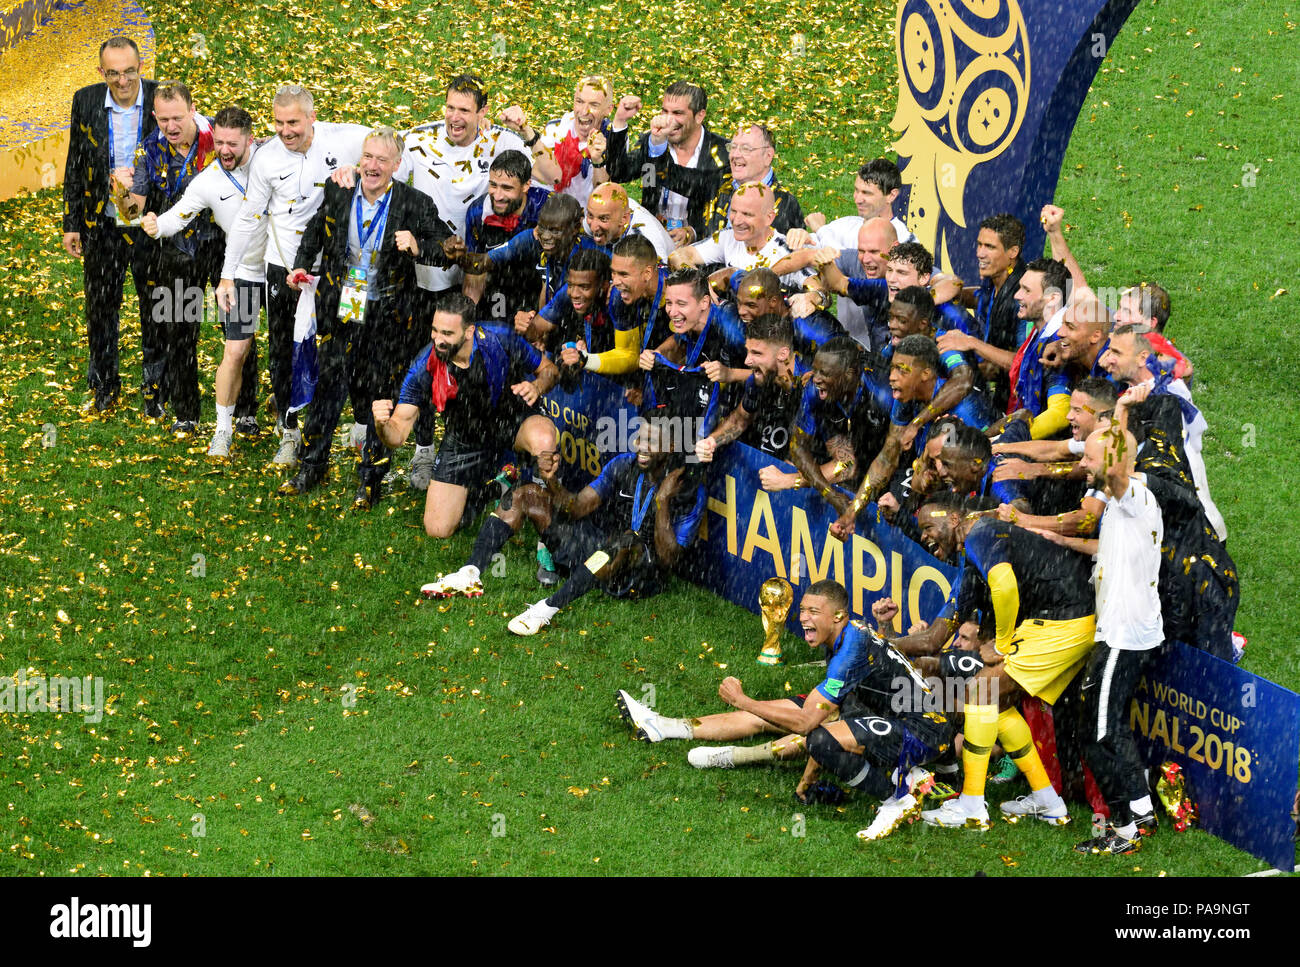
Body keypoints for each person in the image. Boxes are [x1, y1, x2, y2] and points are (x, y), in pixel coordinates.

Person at [614, 580, 946, 823]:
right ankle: (664, 727)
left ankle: (894, 795)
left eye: (813, 611)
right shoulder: (848, 634)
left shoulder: (851, 650)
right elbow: (828, 712)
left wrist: (743, 700)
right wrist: (806, 783)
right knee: (777, 715)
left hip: (914, 729)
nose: (803, 618)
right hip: (882, 714)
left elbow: (808, 724)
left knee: (806, 727)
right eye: (802, 609)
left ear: (838, 616)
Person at [278, 127, 450, 508]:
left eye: (382, 160)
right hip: (349, 297)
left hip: (390, 307)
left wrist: (419, 246)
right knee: (331, 382)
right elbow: (313, 232)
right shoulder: (339, 190)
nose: (372, 166)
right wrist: (301, 266)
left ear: (396, 166)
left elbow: (448, 248)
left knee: (381, 392)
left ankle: (371, 478)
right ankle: (311, 464)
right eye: (367, 157)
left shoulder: (413, 202)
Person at [917, 507, 1097, 830]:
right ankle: (1048, 800)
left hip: (1064, 620)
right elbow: (936, 635)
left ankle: (971, 807)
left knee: (980, 692)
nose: (923, 535)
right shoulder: (977, 545)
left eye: (929, 526)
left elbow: (1004, 585)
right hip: (1068, 618)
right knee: (996, 702)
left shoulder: (979, 532)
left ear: (955, 519)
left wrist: (1001, 645)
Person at [217, 84, 370, 464]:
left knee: (358, 342)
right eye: (279, 122)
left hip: (347, 269)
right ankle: (289, 429)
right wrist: (227, 274)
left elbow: (391, 143)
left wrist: (363, 165)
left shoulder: (346, 137)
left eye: (294, 123)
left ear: (312, 117)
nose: (286, 131)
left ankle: (363, 427)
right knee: (283, 350)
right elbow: (249, 217)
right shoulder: (266, 160)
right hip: (285, 268)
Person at [1035, 417, 1163, 855]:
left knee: (1100, 732)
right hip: (1122, 632)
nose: (1081, 465)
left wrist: (1117, 424)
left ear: (1110, 463)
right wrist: (1050, 535)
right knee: (1106, 727)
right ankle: (1136, 812)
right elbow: (1107, 549)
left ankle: (1128, 826)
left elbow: (1114, 469)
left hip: (1123, 638)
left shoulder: (1135, 498)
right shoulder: (1119, 506)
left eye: (1088, 457)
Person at [371, 294, 560, 537]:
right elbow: (396, 435)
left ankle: (554, 514)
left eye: (447, 334)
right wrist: (381, 425)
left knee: (544, 440)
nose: (438, 340)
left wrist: (537, 387)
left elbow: (549, 370)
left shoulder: (499, 337)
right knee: (438, 529)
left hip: (514, 422)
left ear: (469, 331)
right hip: (464, 438)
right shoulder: (424, 365)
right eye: (435, 331)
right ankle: (490, 487)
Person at [503, 420, 707, 636]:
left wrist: (662, 500)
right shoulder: (623, 464)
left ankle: (546, 608)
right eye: (640, 438)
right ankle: (473, 569)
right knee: (529, 495)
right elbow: (576, 508)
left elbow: (668, 560)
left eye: (652, 441)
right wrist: (551, 481)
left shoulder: (689, 489)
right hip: (605, 550)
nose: (641, 446)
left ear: (671, 446)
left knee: (626, 541)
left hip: (641, 573)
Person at [142, 105, 264, 458]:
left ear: (249, 140)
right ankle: (220, 427)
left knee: (292, 349)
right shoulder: (206, 179)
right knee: (233, 347)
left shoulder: (270, 159)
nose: (225, 150)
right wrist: (155, 225)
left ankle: (281, 423)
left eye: (232, 143)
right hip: (237, 272)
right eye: (220, 143)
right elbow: (176, 216)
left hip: (283, 271)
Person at [62, 37, 160, 415]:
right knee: (101, 306)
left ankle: (155, 385)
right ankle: (105, 384)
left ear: (141, 67)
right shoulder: (86, 101)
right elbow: (74, 162)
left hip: (149, 224)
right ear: (101, 72)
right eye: (114, 73)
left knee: (155, 304)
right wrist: (72, 222)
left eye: (130, 72)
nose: (122, 81)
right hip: (102, 223)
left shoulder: (159, 98)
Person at [830, 334, 997, 540]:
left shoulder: (962, 412)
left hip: (983, 494)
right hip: (946, 488)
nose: (891, 376)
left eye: (901, 369)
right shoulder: (906, 399)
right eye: (892, 368)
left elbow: (973, 471)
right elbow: (886, 458)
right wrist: (850, 513)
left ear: (925, 373)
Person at [129, 80, 217, 435]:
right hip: (178, 253)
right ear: (155, 117)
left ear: (193, 110)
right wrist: (124, 197)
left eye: (178, 117)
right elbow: (133, 205)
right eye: (163, 120)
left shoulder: (218, 138)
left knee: (238, 329)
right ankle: (185, 412)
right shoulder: (148, 149)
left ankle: (245, 413)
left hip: (226, 247)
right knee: (179, 332)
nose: (171, 127)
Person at [1099, 324, 1225, 541]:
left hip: (1190, 531)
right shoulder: (1152, 391)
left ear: (1142, 358)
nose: (1107, 359)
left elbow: (1122, 467)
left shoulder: (1165, 400)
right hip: (1174, 522)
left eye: (1116, 353)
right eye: (1109, 350)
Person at [603, 80, 729, 243]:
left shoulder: (722, 154)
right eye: (664, 111)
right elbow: (618, 173)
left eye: (677, 113)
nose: (668, 120)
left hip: (698, 249)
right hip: (651, 239)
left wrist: (692, 232)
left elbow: (704, 194)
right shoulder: (654, 140)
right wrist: (620, 121)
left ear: (700, 115)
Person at [645, 122, 804, 238]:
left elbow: (793, 260)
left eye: (745, 149)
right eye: (733, 147)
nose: (735, 155)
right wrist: (657, 143)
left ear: (767, 156)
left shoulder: (785, 204)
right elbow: (670, 176)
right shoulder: (719, 182)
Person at [638, 267, 746, 433]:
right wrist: (656, 353)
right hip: (711, 407)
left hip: (746, 416)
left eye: (681, 304)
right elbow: (678, 340)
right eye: (669, 303)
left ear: (704, 302)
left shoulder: (733, 330)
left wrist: (731, 374)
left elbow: (773, 374)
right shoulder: (689, 319)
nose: (672, 312)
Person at [695, 313, 807, 463]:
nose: (747, 361)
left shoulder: (812, 386)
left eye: (756, 353)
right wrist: (711, 441)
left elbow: (844, 462)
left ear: (783, 354)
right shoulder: (759, 379)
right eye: (748, 351)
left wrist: (797, 477)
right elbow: (740, 420)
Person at [460, 150, 551, 322]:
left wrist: (540, 325)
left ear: (526, 186)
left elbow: (555, 275)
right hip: (499, 286)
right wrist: (466, 320)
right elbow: (475, 272)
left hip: (539, 284)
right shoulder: (478, 211)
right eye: (493, 185)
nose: (498, 195)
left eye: (507, 188)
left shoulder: (547, 208)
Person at [502, 75, 612, 204]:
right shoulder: (556, 129)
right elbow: (546, 176)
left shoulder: (614, 138)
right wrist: (527, 131)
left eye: (594, 104)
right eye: (579, 101)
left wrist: (597, 160)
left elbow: (604, 194)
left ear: (608, 109)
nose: (584, 111)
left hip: (587, 214)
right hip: (547, 205)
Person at [668, 182, 804, 287]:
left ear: (769, 218)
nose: (737, 221)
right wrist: (702, 286)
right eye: (733, 211)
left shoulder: (785, 250)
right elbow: (678, 256)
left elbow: (817, 288)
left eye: (747, 214)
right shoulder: (727, 237)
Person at [582, 182, 672, 262]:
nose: (593, 227)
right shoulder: (602, 210)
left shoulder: (648, 239)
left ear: (623, 219)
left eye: (603, 219)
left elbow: (662, 277)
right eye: (590, 215)